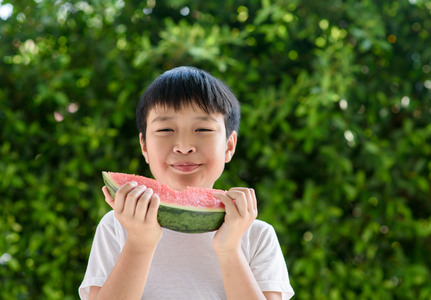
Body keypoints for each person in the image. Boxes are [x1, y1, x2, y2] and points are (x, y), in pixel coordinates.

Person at [79, 66, 294, 299]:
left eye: (202, 128)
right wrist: (140, 243)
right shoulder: (117, 227)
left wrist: (230, 250)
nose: (183, 146)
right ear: (144, 146)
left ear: (229, 146)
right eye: (165, 129)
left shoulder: (256, 235)